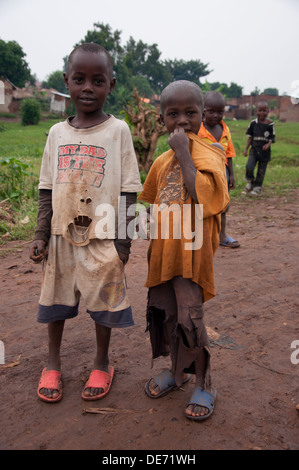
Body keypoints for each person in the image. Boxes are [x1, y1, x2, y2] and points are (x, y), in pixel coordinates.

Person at [29, 43, 142, 403]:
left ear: (111, 83)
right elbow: (47, 189)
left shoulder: (118, 131)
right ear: (67, 82)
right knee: (55, 302)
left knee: (104, 307)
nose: (88, 87)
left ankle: (101, 363)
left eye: (97, 80)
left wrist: (123, 245)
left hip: (104, 238)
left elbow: (128, 192)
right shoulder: (56, 134)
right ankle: (52, 363)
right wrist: (41, 234)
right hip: (62, 238)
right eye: (79, 79)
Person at [138, 80, 229, 421]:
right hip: (165, 255)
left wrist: (184, 153)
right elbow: (149, 201)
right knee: (169, 316)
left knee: (191, 320)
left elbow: (206, 198)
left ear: (203, 115)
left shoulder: (212, 154)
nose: (181, 122)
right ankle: (177, 374)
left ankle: (205, 384)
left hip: (192, 258)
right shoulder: (161, 161)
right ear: (162, 118)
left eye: (190, 113)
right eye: (173, 114)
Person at [198, 91, 240, 248]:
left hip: (222, 173)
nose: (216, 115)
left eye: (220, 112)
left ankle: (222, 236)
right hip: (204, 174)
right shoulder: (198, 129)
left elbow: (229, 153)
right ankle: (201, 237)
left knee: (223, 205)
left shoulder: (225, 129)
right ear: (203, 110)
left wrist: (232, 175)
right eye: (211, 111)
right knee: (202, 205)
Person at [243, 101, 275, 195]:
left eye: (264, 110)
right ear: (256, 112)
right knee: (249, 167)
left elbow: (272, 137)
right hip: (254, 150)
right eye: (260, 110)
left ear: (268, 111)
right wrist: (246, 149)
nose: (262, 113)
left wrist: (268, 144)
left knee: (261, 170)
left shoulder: (270, 124)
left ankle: (257, 187)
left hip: (265, 152)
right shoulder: (253, 123)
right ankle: (250, 181)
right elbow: (250, 137)